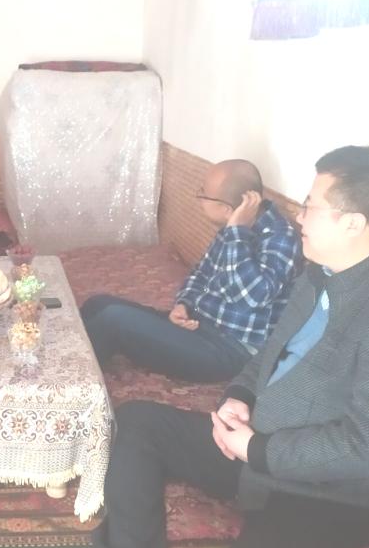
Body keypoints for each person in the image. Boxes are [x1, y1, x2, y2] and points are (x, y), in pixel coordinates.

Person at [92, 146, 369, 548]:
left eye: (310, 207)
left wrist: (257, 450)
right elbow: (270, 352)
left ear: (353, 223)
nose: (299, 217)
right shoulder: (321, 274)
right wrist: (239, 397)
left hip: (330, 495)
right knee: (137, 423)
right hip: (259, 448)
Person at [81, 159, 301, 382]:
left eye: (203, 194)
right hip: (198, 326)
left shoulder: (280, 238)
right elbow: (200, 274)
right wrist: (183, 304)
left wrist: (237, 233)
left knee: (113, 319)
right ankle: (70, 359)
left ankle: (72, 384)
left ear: (227, 209)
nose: (199, 199)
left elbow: (251, 298)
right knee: (98, 303)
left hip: (230, 351)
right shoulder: (233, 227)